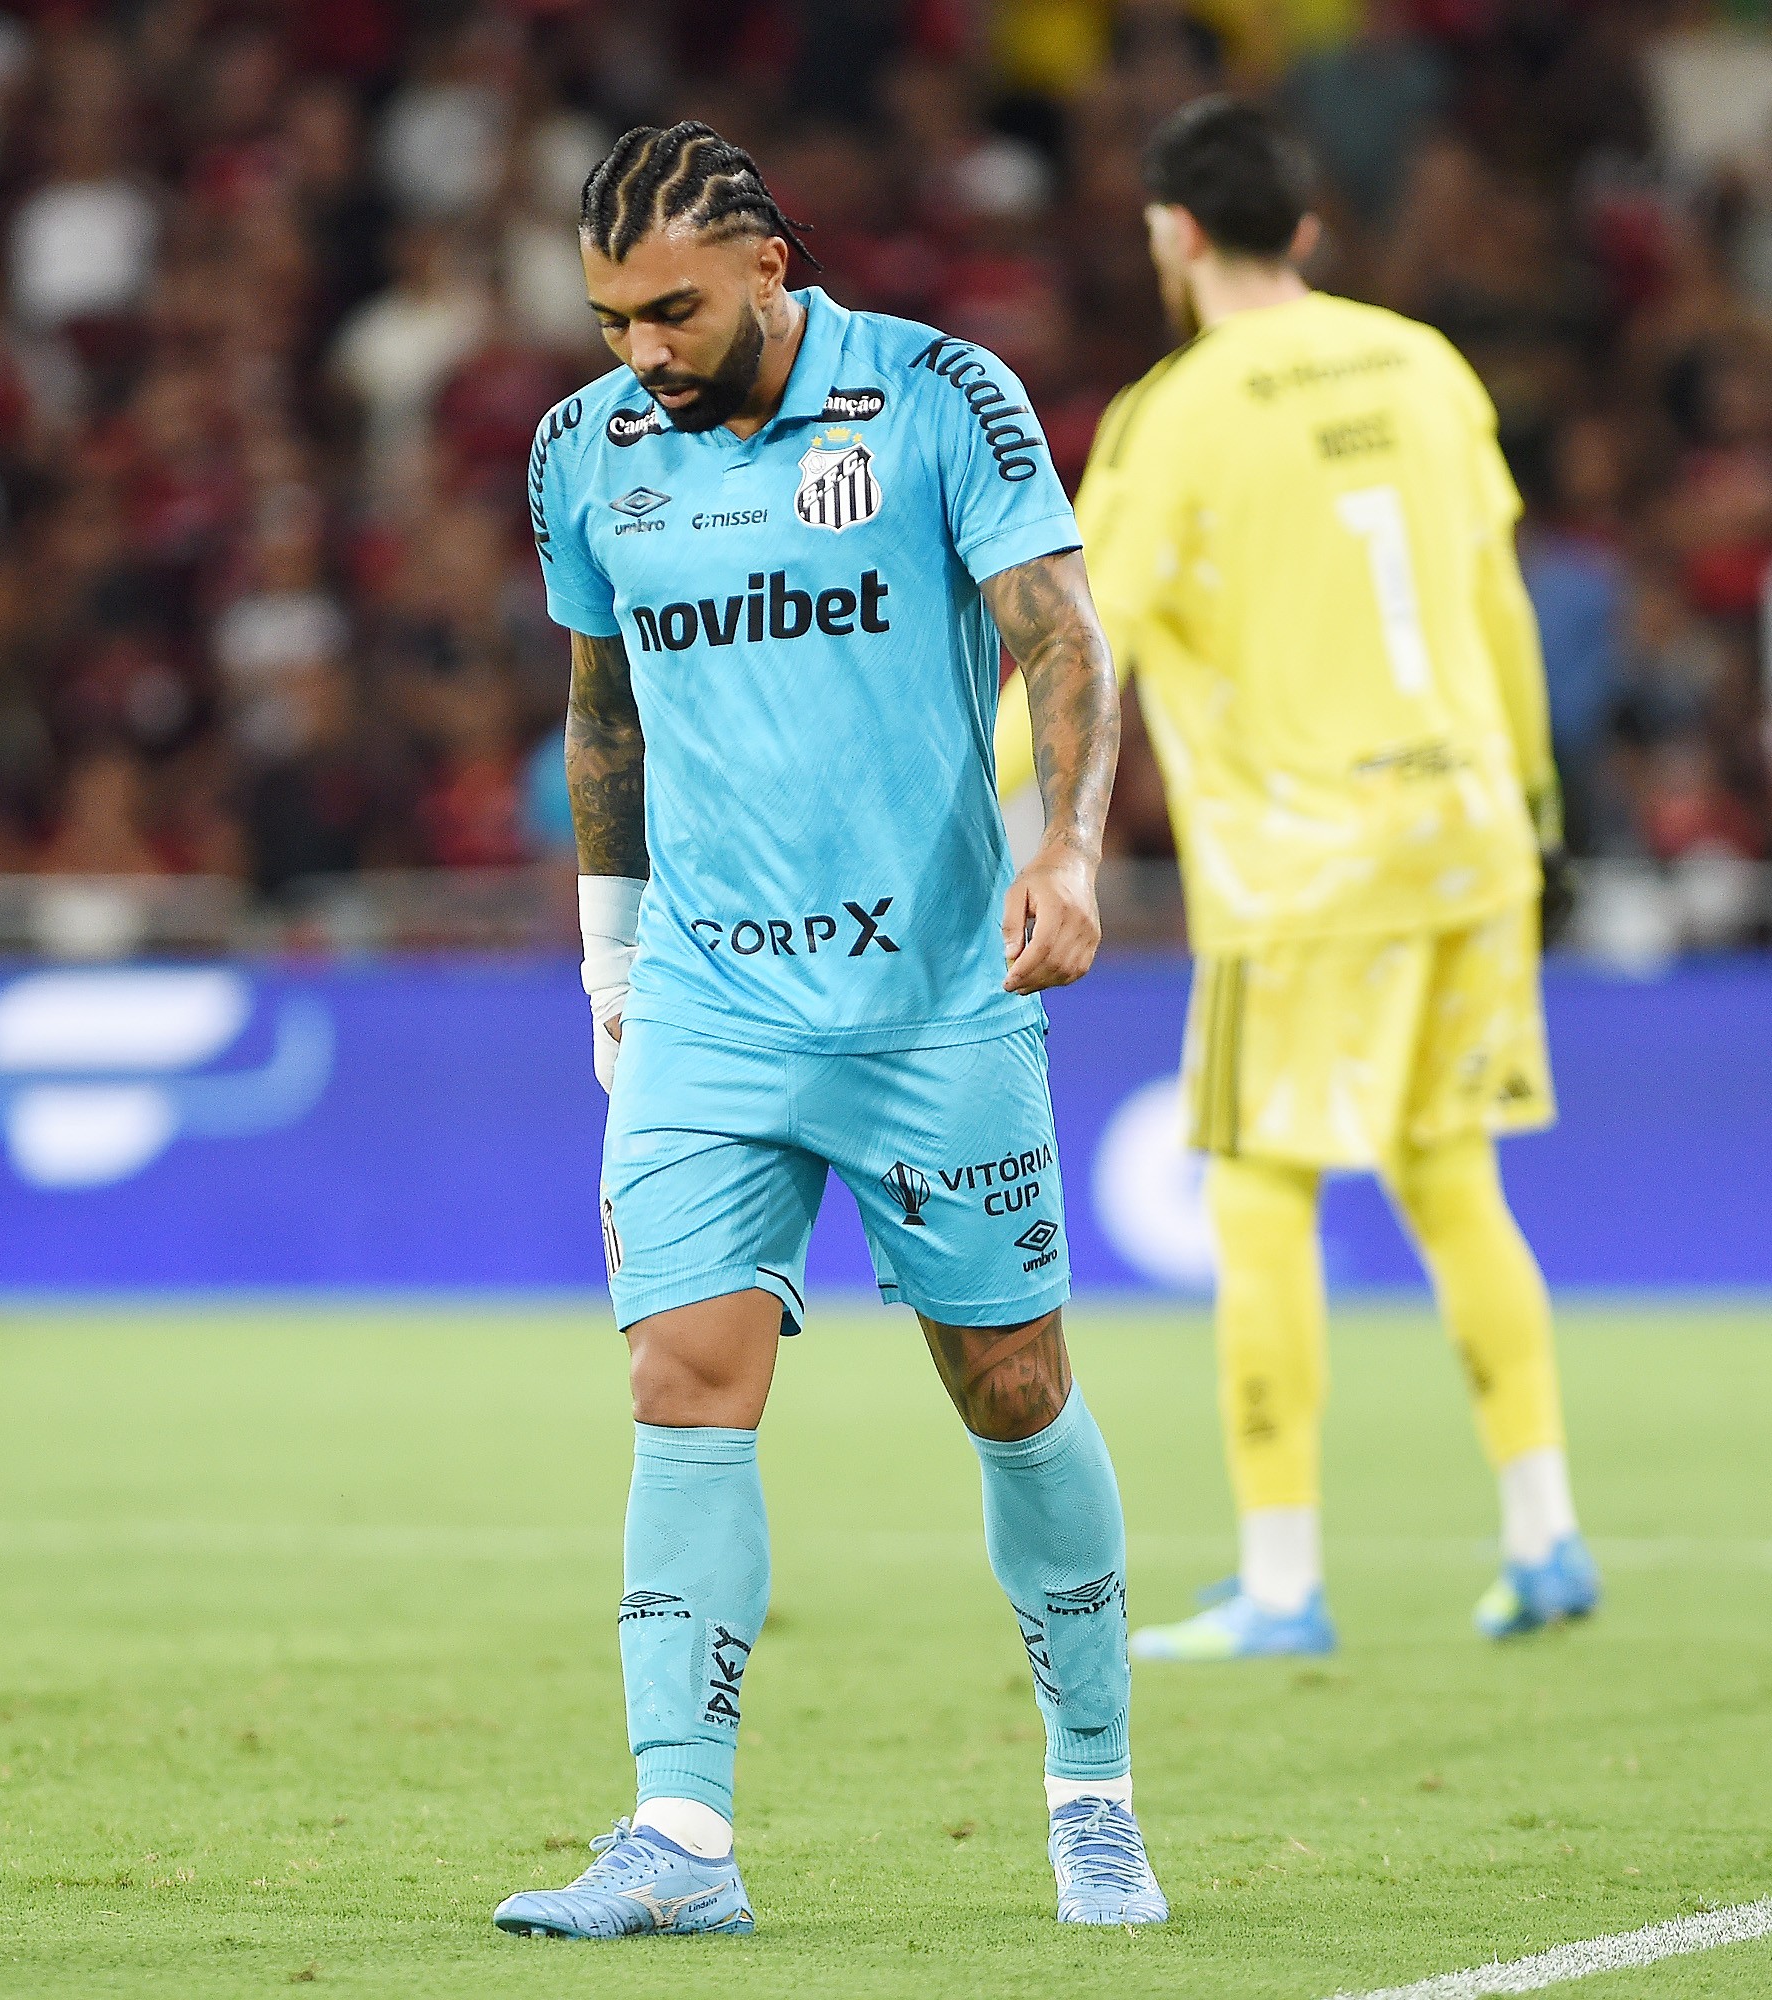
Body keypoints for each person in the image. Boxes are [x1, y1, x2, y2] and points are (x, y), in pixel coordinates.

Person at [493, 122, 1159, 1939]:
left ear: (773, 265)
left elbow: (1066, 640)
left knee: (1010, 1389)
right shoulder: (585, 452)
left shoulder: (943, 397)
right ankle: (680, 1838)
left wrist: (1074, 857)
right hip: (711, 1001)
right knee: (681, 1383)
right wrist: (610, 955)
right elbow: (601, 712)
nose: (642, 350)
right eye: (613, 317)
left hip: (934, 996)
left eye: (674, 311)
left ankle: (1091, 1792)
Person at [995, 97, 1593, 1660]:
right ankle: (1544, 1535)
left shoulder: (1178, 416)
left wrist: (965, 790)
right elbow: (1500, 609)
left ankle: (1278, 1581)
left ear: (1176, 233)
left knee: (1260, 1194)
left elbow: (1081, 646)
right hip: (1468, 830)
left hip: (1310, 863)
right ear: (1307, 231)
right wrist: (1530, 804)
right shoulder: (1423, 366)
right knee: (1453, 1179)